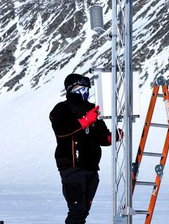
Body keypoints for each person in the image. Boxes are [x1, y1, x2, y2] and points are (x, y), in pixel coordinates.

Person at [49, 73, 116, 224]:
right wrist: (84, 121)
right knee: (77, 210)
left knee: (84, 210)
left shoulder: (92, 108)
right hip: (72, 165)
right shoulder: (62, 109)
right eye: (80, 87)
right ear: (71, 89)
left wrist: (112, 137)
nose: (84, 91)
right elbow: (62, 131)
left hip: (91, 166)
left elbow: (101, 136)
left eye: (86, 88)